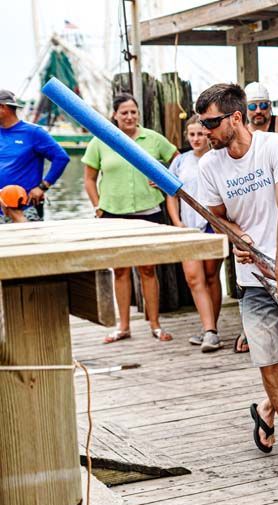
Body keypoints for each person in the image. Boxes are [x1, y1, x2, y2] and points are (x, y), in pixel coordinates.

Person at [195, 83, 278, 480]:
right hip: (252, 282)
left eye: (212, 122)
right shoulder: (209, 166)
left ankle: (268, 409)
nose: (206, 131)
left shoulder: (276, 146)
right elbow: (215, 218)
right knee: (270, 365)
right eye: (202, 123)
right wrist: (236, 235)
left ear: (236, 117)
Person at [82, 93, 178, 344]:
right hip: (112, 213)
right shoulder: (101, 140)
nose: (129, 116)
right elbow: (89, 179)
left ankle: (155, 325)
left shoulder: (153, 139)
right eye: (124, 112)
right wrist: (97, 207)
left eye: (133, 111)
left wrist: (165, 179)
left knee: (148, 269)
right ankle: (123, 327)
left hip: (149, 211)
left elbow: (178, 160)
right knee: (121, 270)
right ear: (114, 115)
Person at [233, 81, 278, 354]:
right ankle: (251, 328)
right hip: (257, 222)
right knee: (255, 282)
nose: (259, 111)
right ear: (244, 111)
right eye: (253, 106)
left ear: (270, 106)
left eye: (264, 105)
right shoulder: (244, 139)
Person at [166, 115, 223, 353]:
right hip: (187, 226)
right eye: (192, 134)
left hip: (211, 224)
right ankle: (209, 330)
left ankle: (212, 329)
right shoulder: (180, 162)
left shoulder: (217, 158)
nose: (196, 139)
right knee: (193, 277)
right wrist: (177, 222)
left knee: (211, 276)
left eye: (200, 133)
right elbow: (171, 193)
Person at [0, 89, 69, 223]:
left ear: (2, 107)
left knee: (30, 242)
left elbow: (61, 158)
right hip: (0, 208)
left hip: (25, 208)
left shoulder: (33, 133)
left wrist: (43, 186)